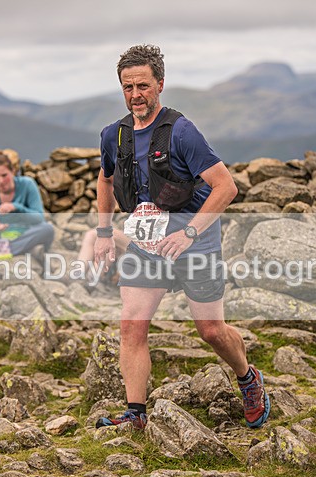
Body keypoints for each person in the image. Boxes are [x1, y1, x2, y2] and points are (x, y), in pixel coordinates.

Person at [93, 45, 270, 430]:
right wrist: (104, 232)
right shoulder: (114, 136)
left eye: (143, 85)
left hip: (195, 241)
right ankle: (135, 415)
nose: (135, 94)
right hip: (146, 242)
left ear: (160, 83)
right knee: (131, 325)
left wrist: (190, 232)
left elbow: (226, 187)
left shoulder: (182, 132)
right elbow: (105, 179)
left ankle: (247, 378)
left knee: (210, 331)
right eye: (128, 87)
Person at [0, 151, 54, 258]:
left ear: (13, 171)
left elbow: (39, 218)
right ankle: (21, 249)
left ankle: (0, 250)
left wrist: (17, 207)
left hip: (26, 232)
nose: (1, 181)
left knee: (47, 229)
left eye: (4, 175)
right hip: (2, 236)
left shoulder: (27, 184)